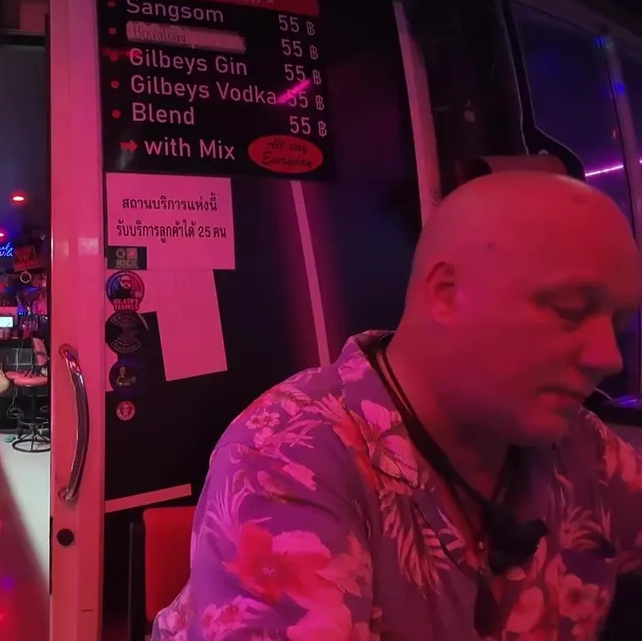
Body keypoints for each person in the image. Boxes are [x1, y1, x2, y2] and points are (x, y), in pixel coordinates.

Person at [154, 172, 642, 640]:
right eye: (570, 310)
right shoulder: (287, 457)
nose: (608, 357)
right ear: (447, 293)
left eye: (617, 322)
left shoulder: (586, 451)